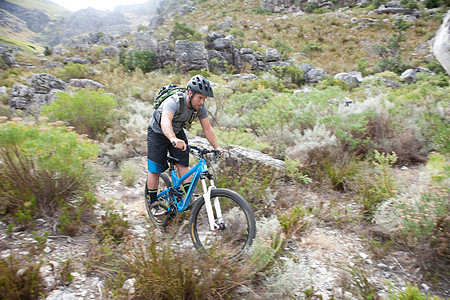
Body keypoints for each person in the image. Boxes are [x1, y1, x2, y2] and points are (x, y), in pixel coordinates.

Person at [146, 75, 222, 215]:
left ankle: (189, 199)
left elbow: (207, 128)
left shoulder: (200, 107)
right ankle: (152, 202)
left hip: (176, 132)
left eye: (204, 99)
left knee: (183, 164)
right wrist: (173, 139)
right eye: (200, 97)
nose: (202, 102)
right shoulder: (173, 102)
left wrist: (216, 147)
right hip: (158, 131)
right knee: (155, 168)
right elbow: (165, 122)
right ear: (190, 93)